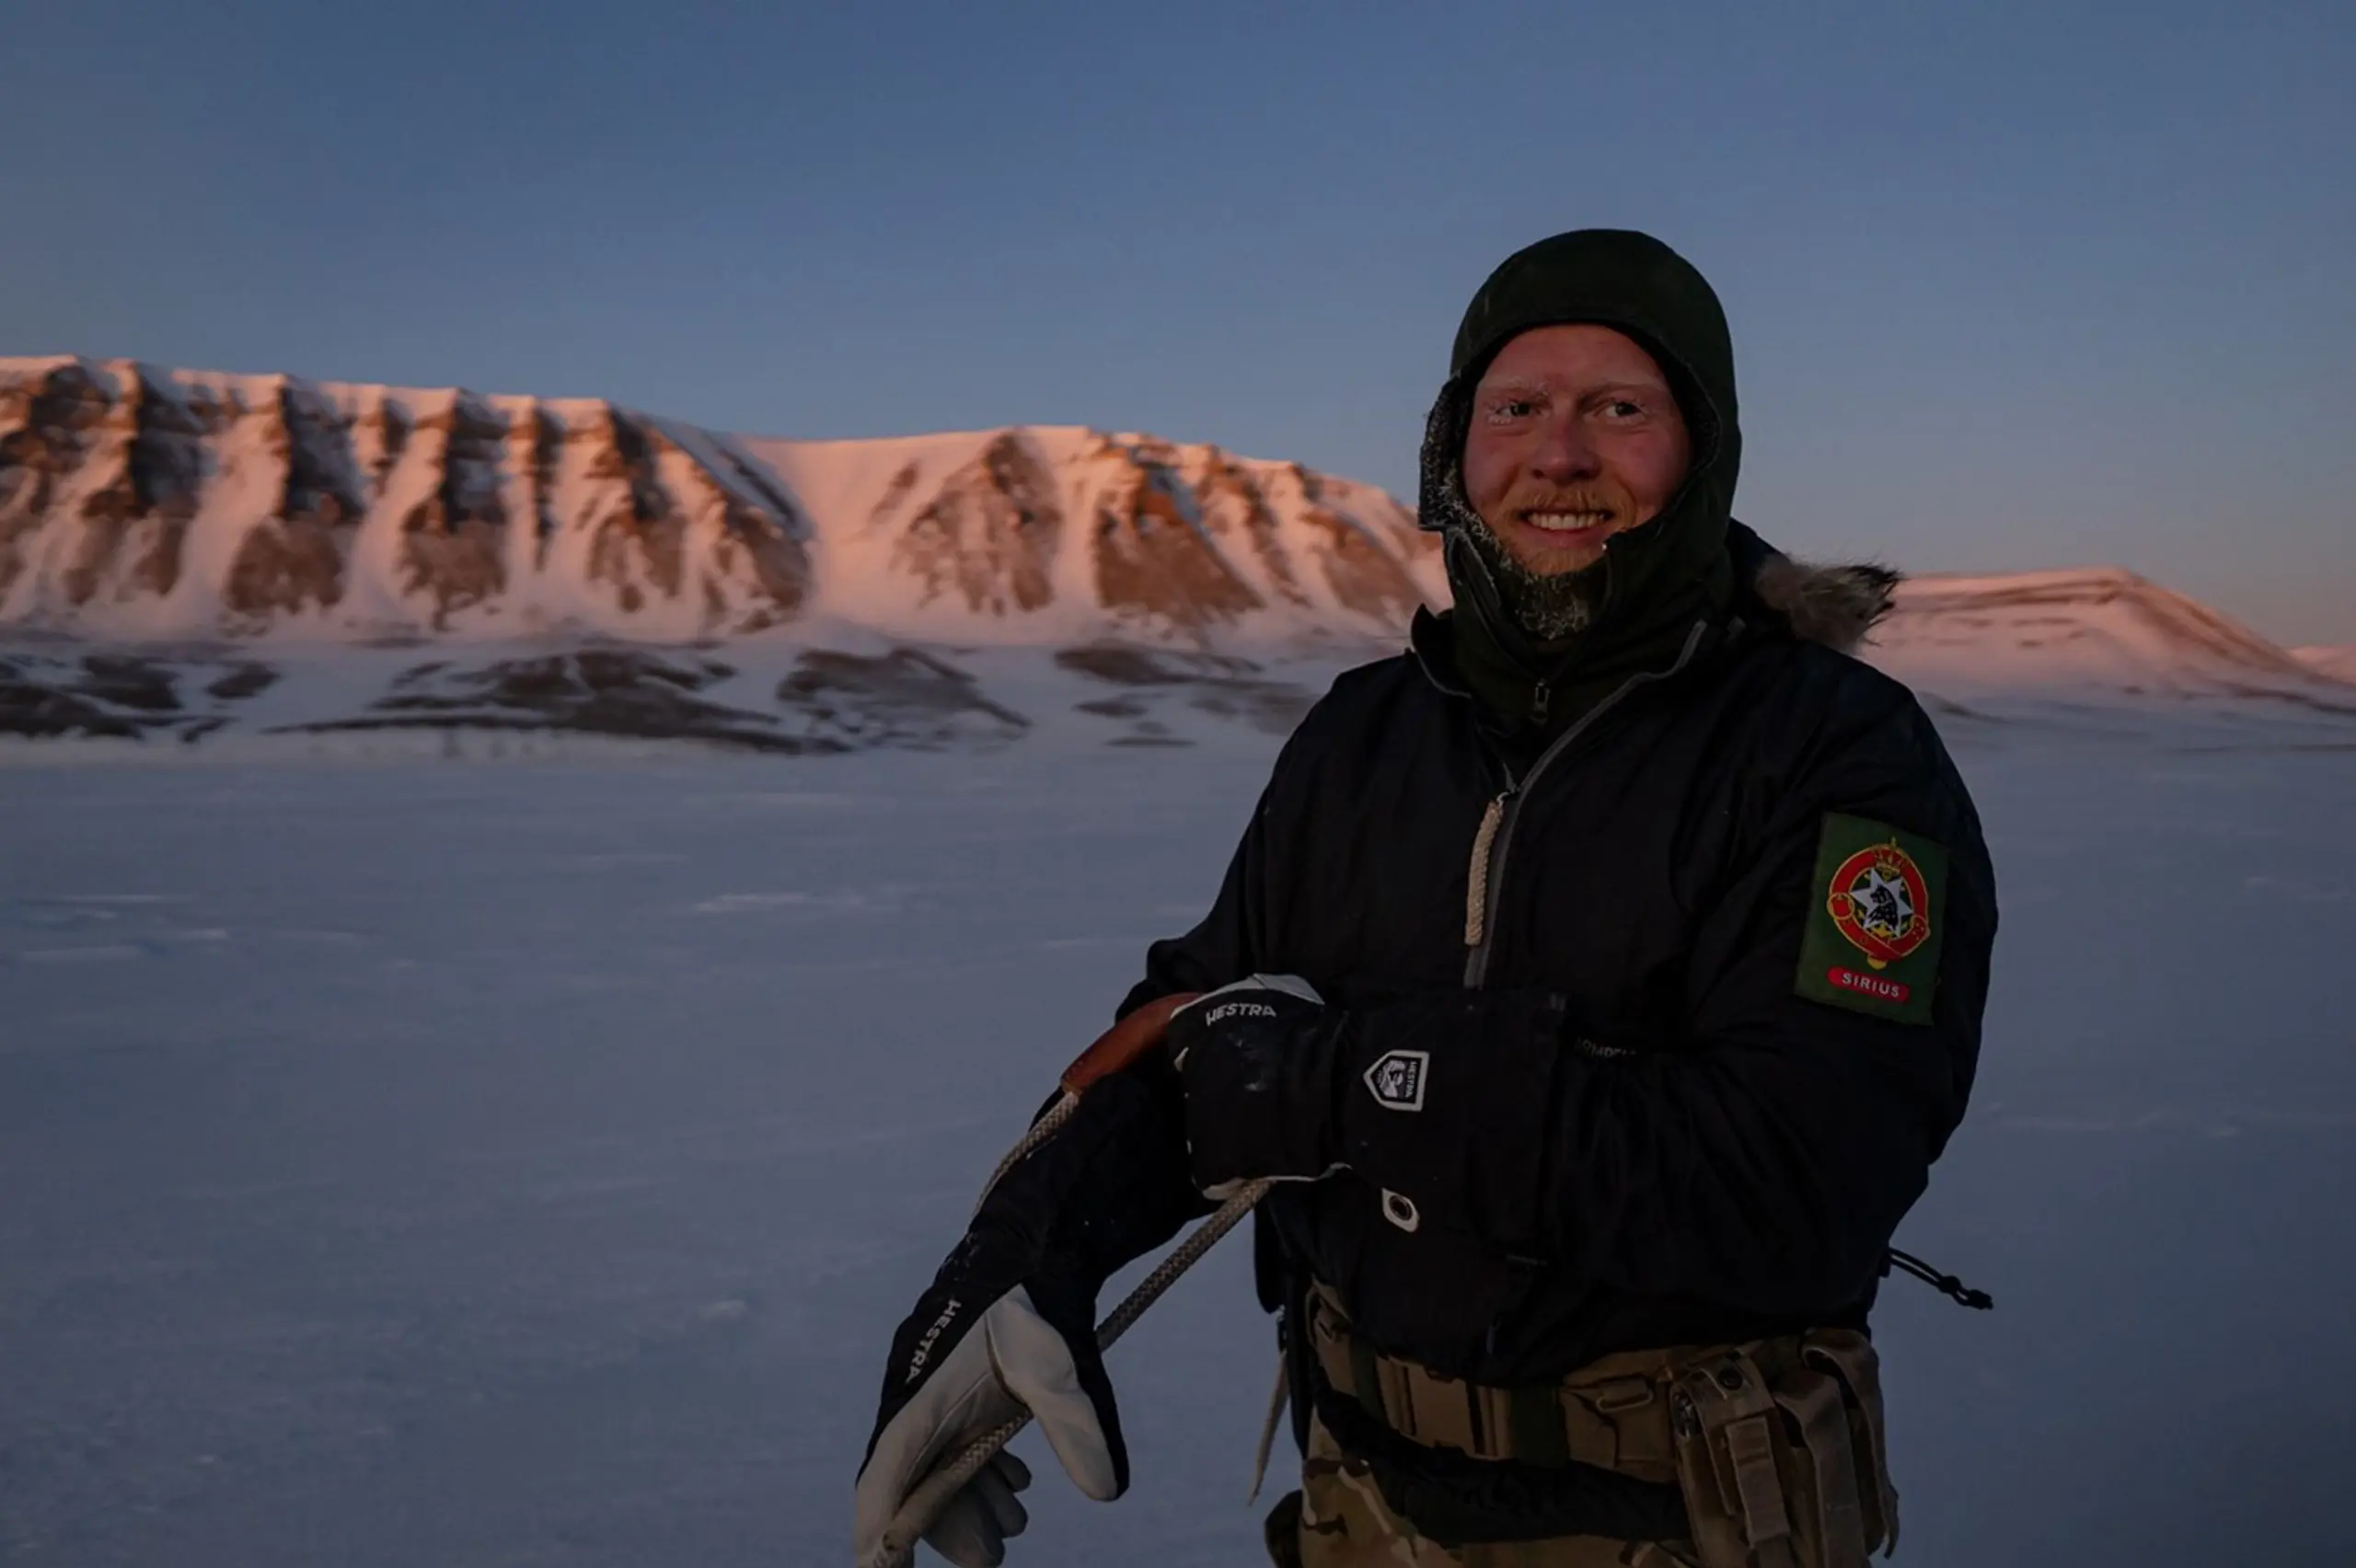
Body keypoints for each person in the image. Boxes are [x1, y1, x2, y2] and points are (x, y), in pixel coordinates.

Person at [854, 229, 1998, 1568]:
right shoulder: (1365, 736)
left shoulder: (1834, 751)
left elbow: (1796, 1179)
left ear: (1704, 451)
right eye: (1514, 410)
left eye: (1619, 409)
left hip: (1685, 1515)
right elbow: (1198, 1034)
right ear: (1453, 451)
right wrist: (1025, 1251)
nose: (1558, 455)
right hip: (1360, 1494)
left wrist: (1347, 1083)